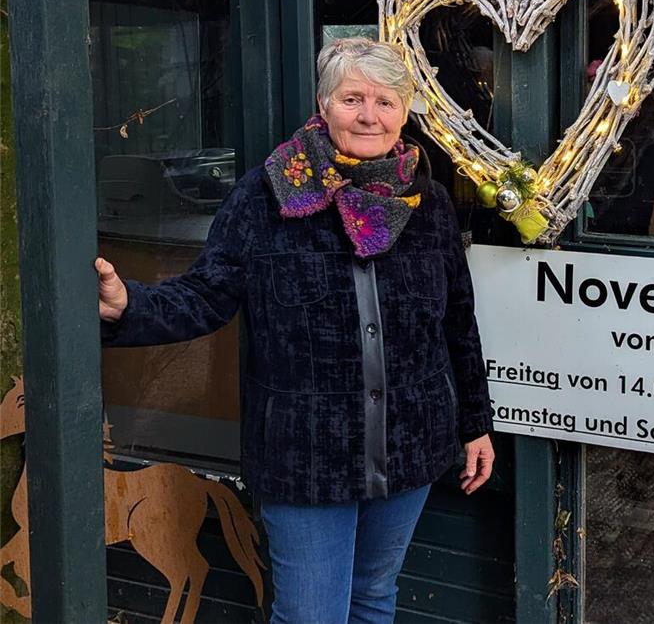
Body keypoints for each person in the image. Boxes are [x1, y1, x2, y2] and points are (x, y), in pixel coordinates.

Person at [96, 37, 495, 623]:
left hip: (410, 442)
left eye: (385, 101)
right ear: (323, 103)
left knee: (373, 599)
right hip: (306, 453)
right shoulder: (265, 195)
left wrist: (475, 424)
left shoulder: (428, 201)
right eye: (353, 98)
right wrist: (129, 305)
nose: (369, 115)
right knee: (310, 615)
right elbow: (208, 294)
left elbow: (457, 320)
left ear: (405, 113)